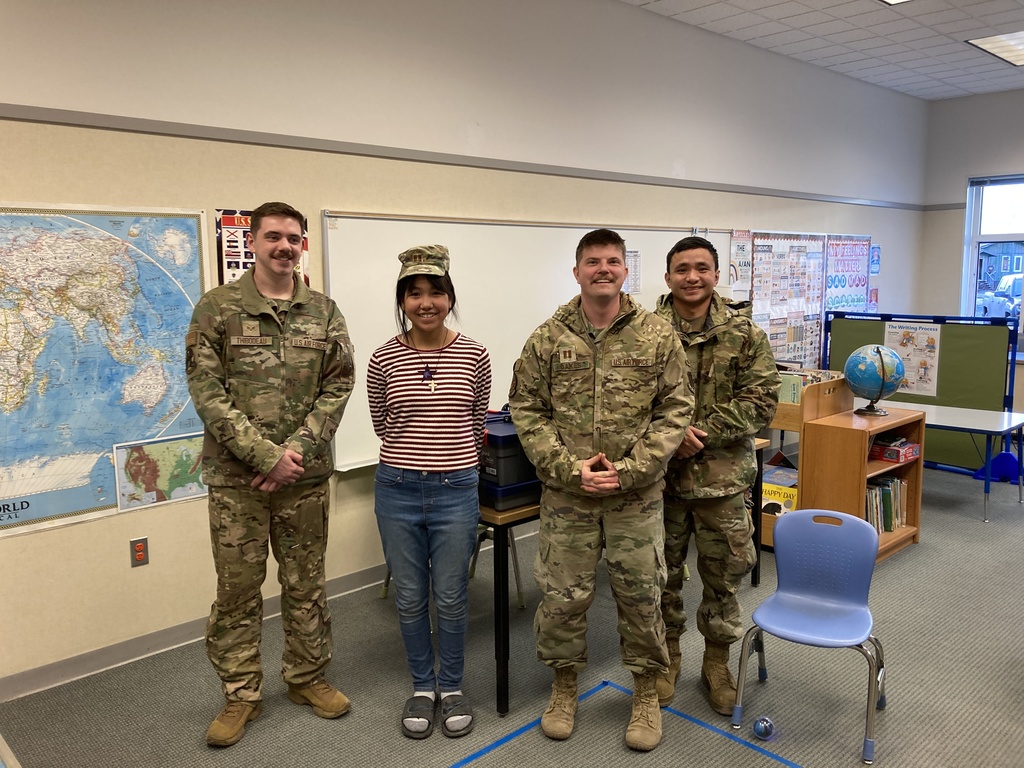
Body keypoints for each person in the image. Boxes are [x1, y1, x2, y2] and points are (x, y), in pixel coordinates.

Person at [509, 228, 692, 752]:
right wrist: (570, 469)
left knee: (641, 595)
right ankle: (563, 687)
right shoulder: (548, 337)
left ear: (624, 270)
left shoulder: (656, 335)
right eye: (593, 262)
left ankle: (644, 693)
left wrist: (632, 469)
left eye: (613, 261)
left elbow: (675, 409)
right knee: (563, 598)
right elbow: (525, 410)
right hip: (569, 496)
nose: (603, 270)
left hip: (635, 496)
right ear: (577, 271)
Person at [186, 201, 355, 747]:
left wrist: (294, 455)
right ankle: (241, 694)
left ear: (303, 244)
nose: (284, 246)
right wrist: (265, 457)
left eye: (293, 237)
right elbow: (207, 393)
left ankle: (307, 677)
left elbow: (338, 386)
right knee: (238, 589)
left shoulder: (324, 312)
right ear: (252, 242)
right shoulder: (217, 308)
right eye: (273, 236)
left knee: (306, 584)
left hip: (303, 480)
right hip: (238, 484)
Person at [367, 245, 492, 740]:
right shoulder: (382, 358)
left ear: (449, 297)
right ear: (402, 301)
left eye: (435, 292)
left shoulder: (475, 353)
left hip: (456, 489)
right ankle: (423, 686)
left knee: (452, 597)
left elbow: (478, 416)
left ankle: (453, 686)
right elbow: (382, 424)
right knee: (411, 597)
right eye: (414, 294)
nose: (426, 303)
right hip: (396, 488)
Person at [653, 236, 780, 716]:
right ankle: (666, 661)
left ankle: (716, 664)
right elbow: (626, 399)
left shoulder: (745, 333)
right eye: (682, 268)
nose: (692, 277)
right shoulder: (643, 332)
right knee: (659, 578)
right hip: (659, 482)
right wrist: (671, 435)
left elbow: (762, 399)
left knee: (723, 578)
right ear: (668, 277)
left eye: (701, 268)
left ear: (716, 273)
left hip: (721, 482)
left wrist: (699, 433)